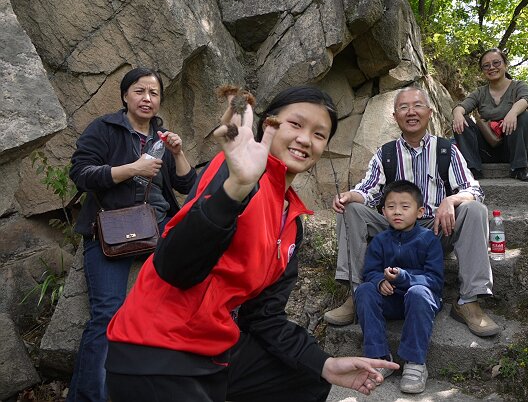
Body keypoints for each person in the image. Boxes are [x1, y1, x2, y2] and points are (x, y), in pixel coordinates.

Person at [104, 86, 398, 402]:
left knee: (307, 378)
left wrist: (325, 363)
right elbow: (174, 268)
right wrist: (236, 188)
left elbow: (263, 317)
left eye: (319, 134)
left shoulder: (291, 224)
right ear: (268, 125)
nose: (304, 139)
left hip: (213, 352)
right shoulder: (236, 173)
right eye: (295, 124)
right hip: (154, 349)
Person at [324, 86, 500, 339]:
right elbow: (369, 191)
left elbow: (473, 189)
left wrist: (452, 199)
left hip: (436, 230)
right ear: (395, 117)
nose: (411, 112)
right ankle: (356, 293)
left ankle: (469, 301)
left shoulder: (446, 150)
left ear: (429, 112)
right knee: (350, 209)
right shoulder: (385, 153)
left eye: (417, 106)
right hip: (393, 230)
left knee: (474, 209)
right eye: (403, 107)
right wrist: (352, 195)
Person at [67, 67, 196, 402]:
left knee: (183, 303)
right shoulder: (105, 129)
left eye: (153, 93)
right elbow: (81, 174)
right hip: (111, 229)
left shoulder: (162, 138)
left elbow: (186, 186)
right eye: (140, 91)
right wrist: (132, 169)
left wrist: (178, 153)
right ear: (125, 96)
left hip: (158, 231)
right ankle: (89, 397)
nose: (147, 99)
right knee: (107, 313)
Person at [355, 180, 443, 394]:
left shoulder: (429, 240)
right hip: (392, 301)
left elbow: (435, 280)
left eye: (405, 207)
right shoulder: (380, 241)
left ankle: (415, 362)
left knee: (418, 292)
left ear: (420, 211)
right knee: (364, 290)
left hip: (421, 300)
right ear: (383, 211)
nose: (397, 212)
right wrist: (379, 281)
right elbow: (370, 271)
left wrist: (404, 278)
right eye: (391, 207)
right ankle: (378, 357)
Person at [452, 48, 528, 181]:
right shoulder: (480, 92)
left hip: (511, 147)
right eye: (486, 65)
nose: (491, 67)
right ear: (482, 70)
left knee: (524, 117)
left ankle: (519, 169)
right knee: (463, 120)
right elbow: (462, 107)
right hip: (486, 149)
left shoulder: (518, 86)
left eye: (496, 63)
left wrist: (512, 113)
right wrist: (457, 114)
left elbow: (525, 99)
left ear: (505, 64)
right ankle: (473, 170)